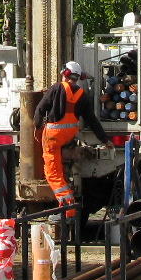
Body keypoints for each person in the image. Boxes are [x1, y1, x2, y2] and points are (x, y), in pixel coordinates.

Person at [35, 60, 109, 220]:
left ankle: (68, 211)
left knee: (53, 174)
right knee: (62, 170)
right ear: (78, 77)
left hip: (53, 138)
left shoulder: (56, 88)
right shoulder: (81, 94)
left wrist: (37, 127)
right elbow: (92, 120)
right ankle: (67, 207)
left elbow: (40, 109)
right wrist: (105, 140)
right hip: (68, 136)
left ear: (65, 73)